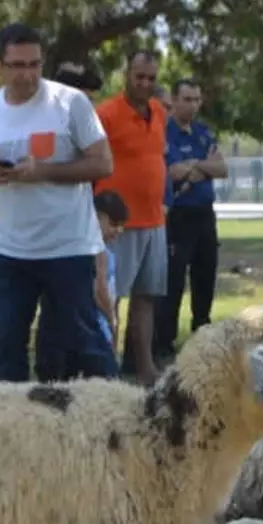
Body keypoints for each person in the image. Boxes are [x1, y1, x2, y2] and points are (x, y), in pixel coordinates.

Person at [0, 22, 118, 383]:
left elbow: (103, 163)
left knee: (81, 349)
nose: (28, 75)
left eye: (34, 64)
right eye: (17, 65)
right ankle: (12, 432)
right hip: (11, 253)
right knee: (5, 350)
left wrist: (42, 170)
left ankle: (110, 423)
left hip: (68, 248)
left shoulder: (70, 103)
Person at [93, 49, 169, 385]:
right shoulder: (106, 114)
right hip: (118, 226)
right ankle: (108, 365)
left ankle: (145, 368)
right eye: (139, 76)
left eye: (151, 78)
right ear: (127, 74)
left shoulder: (159, 112)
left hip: (154, 221)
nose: (145, 83)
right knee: (111, 299)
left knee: (146, 298)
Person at [154, 78, 228, 360]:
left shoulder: (203, 132)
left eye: (197, 99)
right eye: (187, 99)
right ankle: (164, 341)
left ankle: (202, 334)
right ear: (174, 100)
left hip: (204, 214)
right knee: (173, 280)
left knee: (205, 275)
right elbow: (171, 171)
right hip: (178, 215)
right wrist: (200, 167)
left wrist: (195, 166)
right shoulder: (165, 131)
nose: (193, 105)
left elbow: (221, 168)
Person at [93, 190, 128, 350]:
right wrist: (111, 318)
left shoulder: (107, 251)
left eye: (121, 225)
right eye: (113, 224)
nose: (118, 230)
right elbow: (99, 289)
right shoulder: (98, 252)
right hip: (96, 327)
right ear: (97, 217)